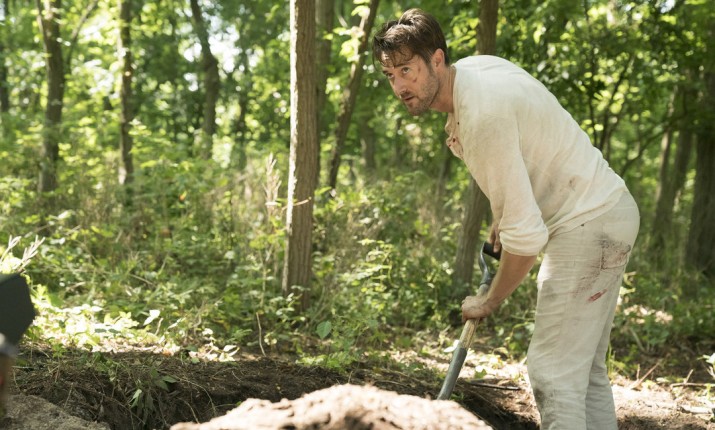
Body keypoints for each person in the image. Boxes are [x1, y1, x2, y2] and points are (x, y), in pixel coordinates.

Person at [373, 9, 640, 430]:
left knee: (553, 373)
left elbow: (526, 240)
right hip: (612, 211)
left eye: (408, 70)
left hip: (587, 224)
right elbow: (528, 144)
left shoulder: (481, 117)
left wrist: (489, 300)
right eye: (391, 76)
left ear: (437, 59)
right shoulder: (477, 72)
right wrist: (507, 212)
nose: (400, 87)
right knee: (584, 372)